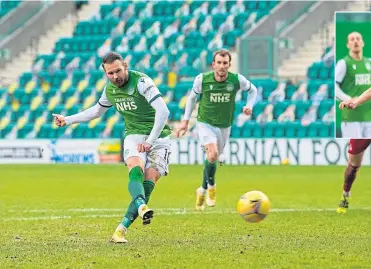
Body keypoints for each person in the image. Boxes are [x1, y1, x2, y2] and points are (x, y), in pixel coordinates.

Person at [52, 52, 171, 243]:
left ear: (125, 65)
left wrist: (150, 140)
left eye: (118, 71)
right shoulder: (110, 90)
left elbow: (163, 111)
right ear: (105, 73)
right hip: (133, 135)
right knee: (135, 168)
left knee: (149, 183)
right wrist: (67, 120)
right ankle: (140, 206)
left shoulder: (141, 82)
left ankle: (120, 230)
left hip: (158, 136)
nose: (115, 76)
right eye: (110, 73)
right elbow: (96, 112)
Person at [175, 49, 257, 210]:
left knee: (212, 159)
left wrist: (249, 105)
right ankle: (212, 186)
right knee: (212, 155)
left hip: (225, 126)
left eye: (225, 63)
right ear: (213, 65)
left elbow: (253, 91)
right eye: (218, 63)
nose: (221, 66)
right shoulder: (202, 80)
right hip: (205, 123)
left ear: (229, 65)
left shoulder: (236, 80)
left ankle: (202, 189)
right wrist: (185, 121)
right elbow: (192, 98)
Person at [335, 32, 371, 138]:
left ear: (363, 43)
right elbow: (334, 87)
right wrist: (349, 99)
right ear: (347, 44)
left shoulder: (369, 62)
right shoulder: (344, 63)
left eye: (358, 38)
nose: (355, 41)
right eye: (352, 39)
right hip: (351, 118)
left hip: (368, 116)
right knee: (355, 152)